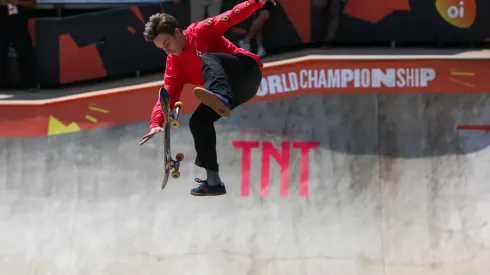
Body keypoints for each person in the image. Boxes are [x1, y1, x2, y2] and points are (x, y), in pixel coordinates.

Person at [139, 0, 274, 196]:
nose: (168, 51)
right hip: (237, 93)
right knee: (198, 122)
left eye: (167, 44)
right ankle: (213, 182)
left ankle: (220, 95)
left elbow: (232, 15)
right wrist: (156, 121)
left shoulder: (200, 31)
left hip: (246, 72)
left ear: (178, 32)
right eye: (162, 49)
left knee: (207, 58)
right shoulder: (174, 65)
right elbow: (167, 93)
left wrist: (256, 2)